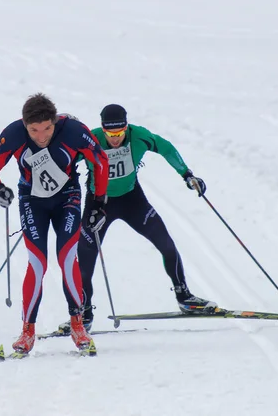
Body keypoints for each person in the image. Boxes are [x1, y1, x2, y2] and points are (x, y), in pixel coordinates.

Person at [59, 103, 217, 334]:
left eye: (120, 133)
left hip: (132, 199)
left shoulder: (139, 136)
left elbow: (166, 148)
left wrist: (187, 174)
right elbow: (67, 160)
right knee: (85, 261)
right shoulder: (91, 138)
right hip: (98, 204)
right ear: (102, 130)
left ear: (126, 127)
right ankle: (84, 314)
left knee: (167, 245)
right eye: (110, 134)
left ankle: (184, 296)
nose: (115, 138)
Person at [0, 93, 109, 355]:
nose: (41, 136)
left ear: (55, 121)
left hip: (68, 197)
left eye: (47, 128)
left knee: (67, 257)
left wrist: (98, 202)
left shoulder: (73, 130)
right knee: (37, 263)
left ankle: (78, 325)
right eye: (34, 130)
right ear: (25, 125)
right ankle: (27, 331)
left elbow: (100, 161)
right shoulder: (14, 133)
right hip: (32, 200)